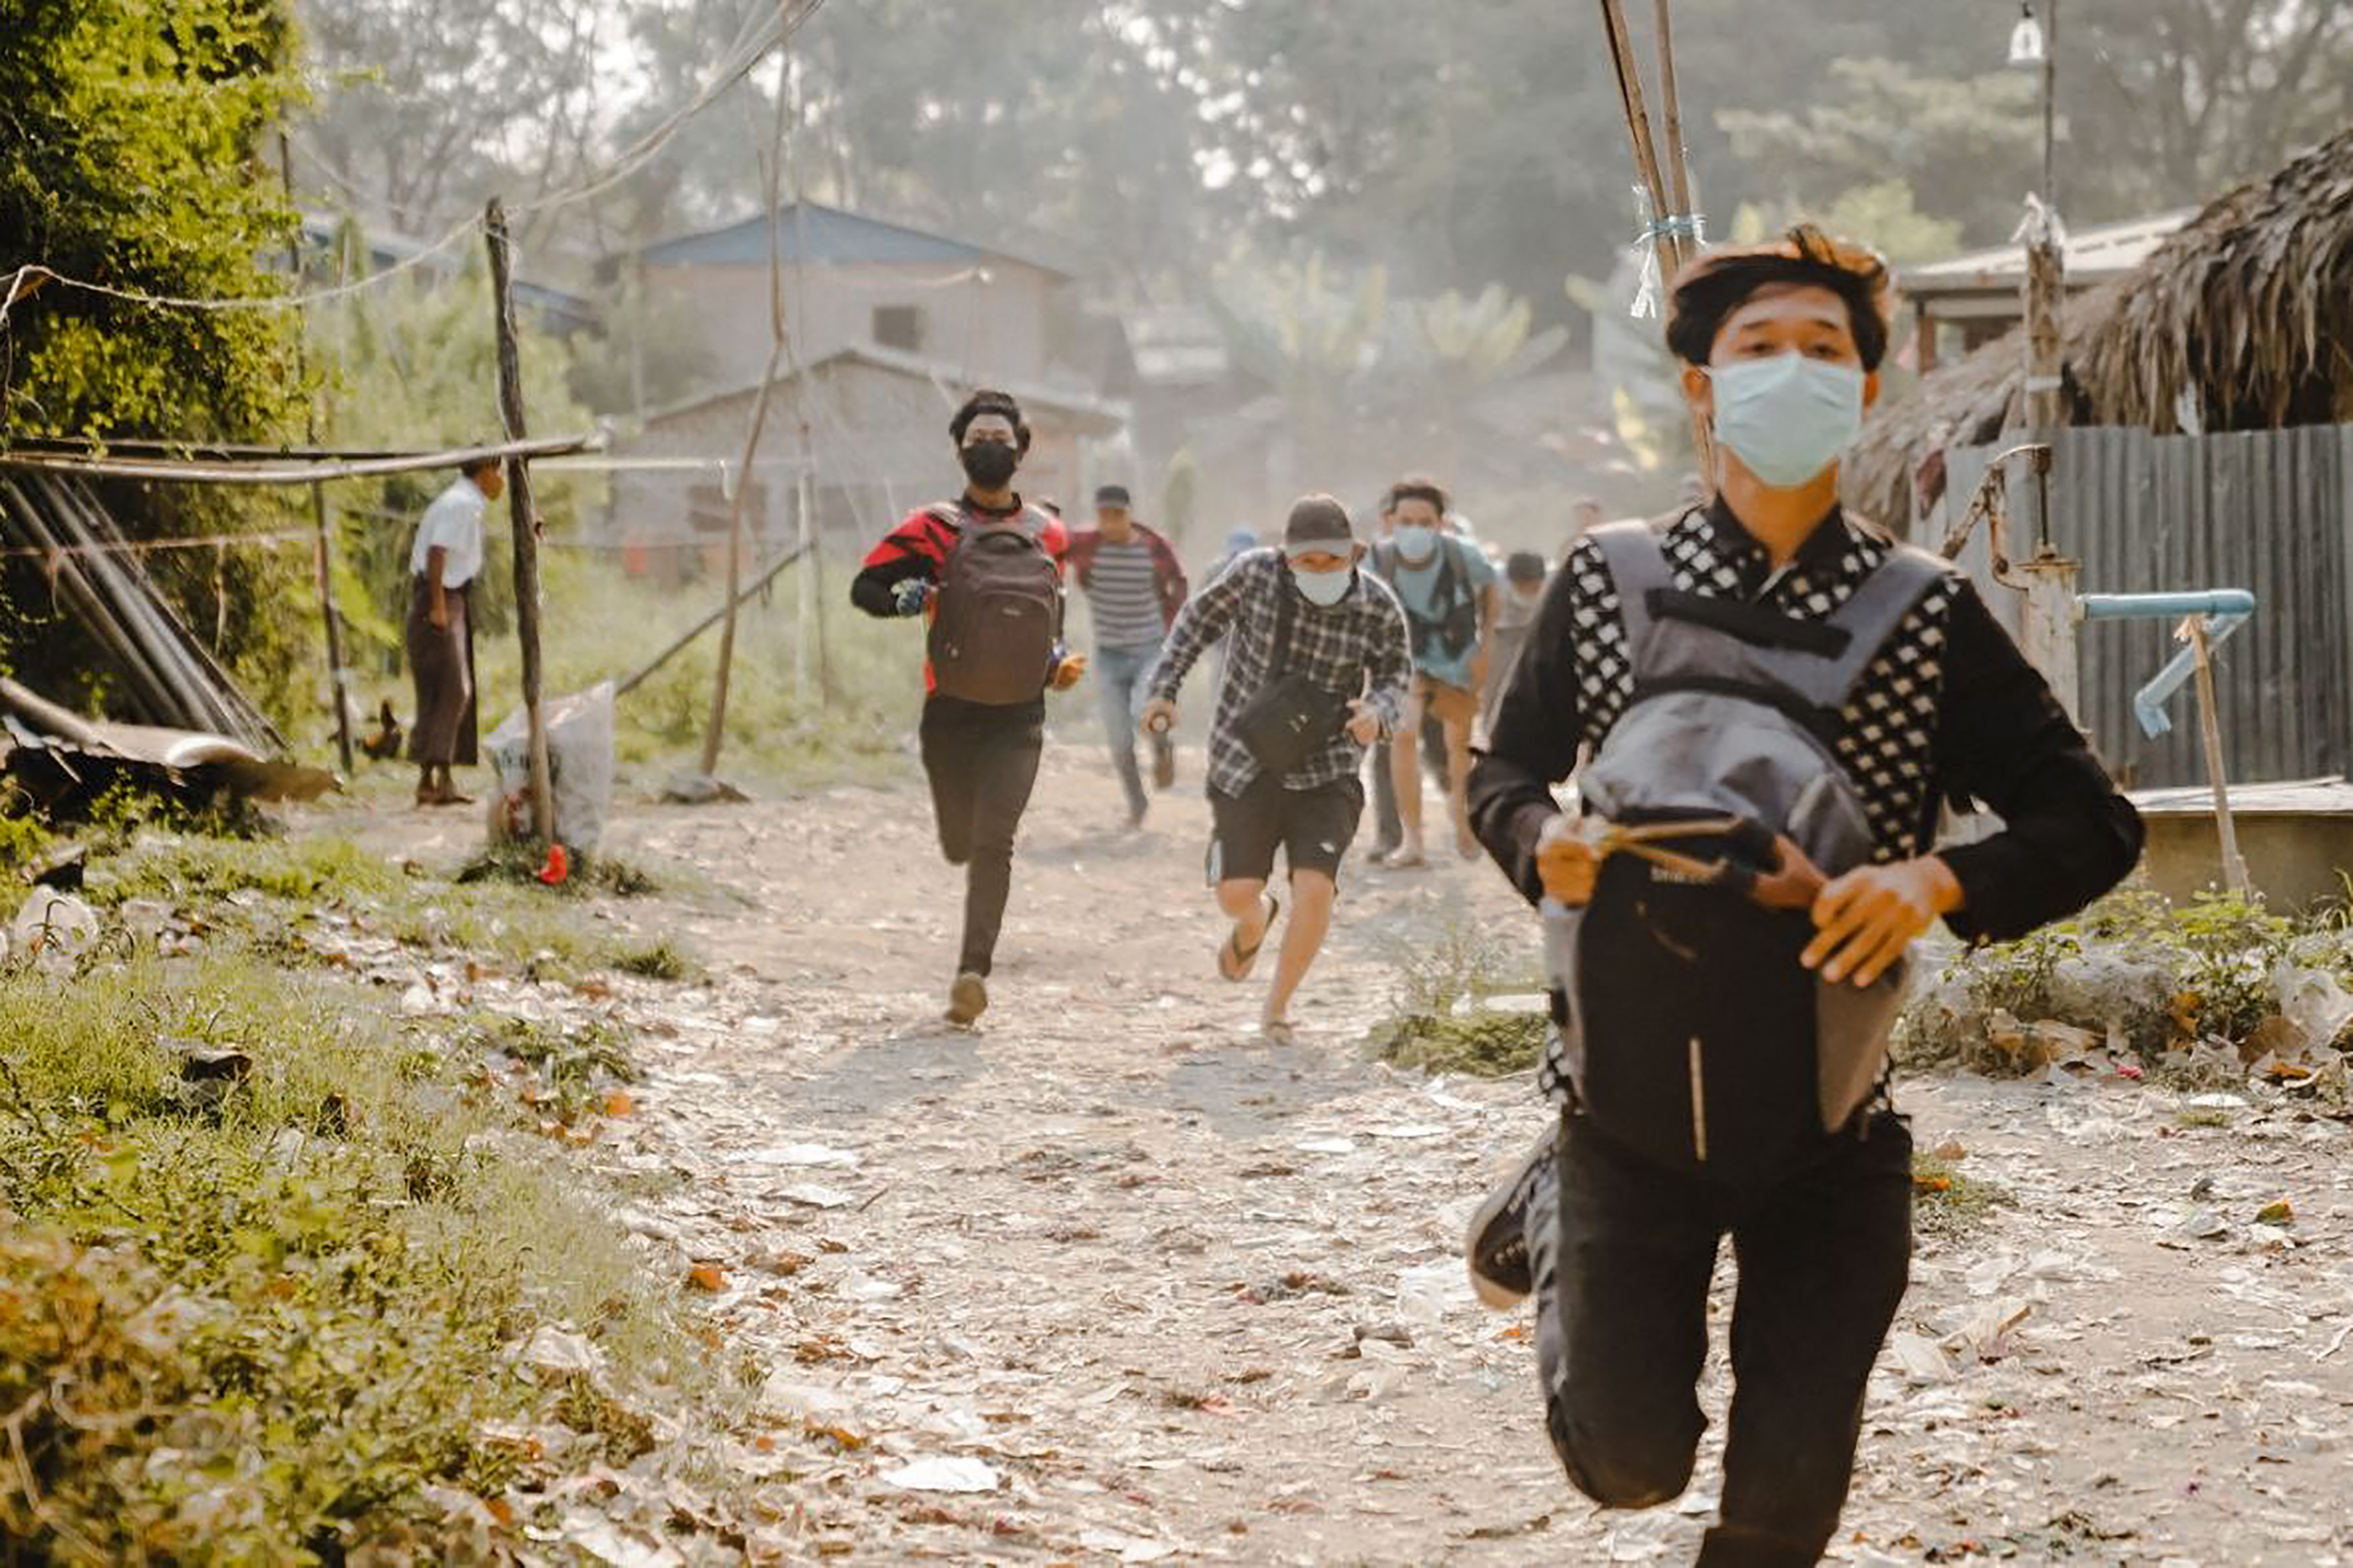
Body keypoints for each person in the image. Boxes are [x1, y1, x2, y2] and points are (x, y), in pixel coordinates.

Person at [1464, 226, 2143, 1565]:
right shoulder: (1608, 578)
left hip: (1828, 1125)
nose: (1792, 371)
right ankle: (1546, 1200)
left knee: (1781, 1511)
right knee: (1626, 1462)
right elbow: (1504, 770)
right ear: (1700, 385)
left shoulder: (1925, 614)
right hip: (1626, 1113)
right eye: (1756, 347)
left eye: (1823, 350)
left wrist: (1934, 876)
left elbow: (2094, 822)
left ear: (1868, 388)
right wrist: (1538, 831)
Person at [850, 389, 1087, 1028]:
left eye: (1002, 437)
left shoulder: (1048, 532)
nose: (991, 446)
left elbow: (1051, 615)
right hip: (949, 710)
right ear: (959, 450)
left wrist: (1058, 658)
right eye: (979, 436)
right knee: (961, 841)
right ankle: (966, 919)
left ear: (1022, 450)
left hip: (1020, 714)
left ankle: (972, 973)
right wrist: (905, 599)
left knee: (994, 842)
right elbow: (863, 587)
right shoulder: (932, 527)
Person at [1140, 495, 1411, 1044]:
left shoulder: (1377, 605)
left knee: (1316, 888)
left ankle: (1278, 1007)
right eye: (1307, 561)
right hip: (1247, 761)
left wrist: (1377, 714)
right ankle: (1254, 917)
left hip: (1330, 766)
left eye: (1331, 562)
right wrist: (1164, 690)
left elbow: (1396, 675)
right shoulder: (1253, 577)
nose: (1320, 571)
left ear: (1354, 554)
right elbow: (1195, 624)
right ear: (1286, 556)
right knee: (1235, 892)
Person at [1369, 476, 1497, 866]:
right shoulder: (1378, 558)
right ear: (1390, 521)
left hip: (1456, 658)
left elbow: (1491, 590)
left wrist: (1486, 645)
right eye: (1405, 520)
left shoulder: (1463, 555)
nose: (1415, 529)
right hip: (1403, 659)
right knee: (1402, 737)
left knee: (1458, 748)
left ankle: (1462, 823)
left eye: (1425, 521)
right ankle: (1412, 840)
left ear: (1441, 523)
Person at [1066, 483, 1189, 825]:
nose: (1111, 524)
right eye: (1104, 516)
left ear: (1129, 515)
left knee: (1143, 710)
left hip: (1150, 649)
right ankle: (1137, 803)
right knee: (1119, 742)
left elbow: (1179, 583)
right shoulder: (1087, 547)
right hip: (1109, 656)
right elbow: (1051, 542)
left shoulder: (1152, 548)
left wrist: (1176, 634)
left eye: (1117, 515)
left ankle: (1163, 746)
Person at [404, 455, 501, 808]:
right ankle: (433, 777)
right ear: (486, 471)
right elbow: (437, 553)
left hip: (448, 596)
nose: (501, 481)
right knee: (455, 688)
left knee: (441, 688)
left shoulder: (465, 503)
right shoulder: (460, 503)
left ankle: (437, 779)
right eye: (498, 471)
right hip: (439, 596)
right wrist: (438, 605)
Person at [1482, 550, 1549, 733]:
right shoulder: (1495, 586)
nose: (1527, 592)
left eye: (1533, 587)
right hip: (1502, 635)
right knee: (1496, 686)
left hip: (1538, 635)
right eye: (1522, 587)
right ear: (1512, 582)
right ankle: (1491, 732)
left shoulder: (1553, 586)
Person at [1563, 496, 1605, 564]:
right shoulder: (1568, 546)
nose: (1583, 521)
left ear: (1598, 518)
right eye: (1579, 517)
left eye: (1587, 516)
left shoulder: (1608, 543)